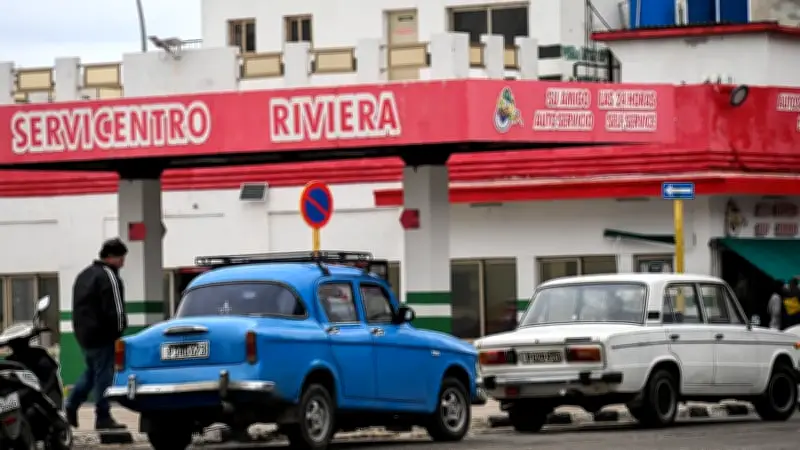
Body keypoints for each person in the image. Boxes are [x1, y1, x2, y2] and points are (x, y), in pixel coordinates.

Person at [65, 238, 129, 430]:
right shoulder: (109, 276)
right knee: (104, 376)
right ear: (112, 257)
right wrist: (119, 331)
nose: (123, 262)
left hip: (85, 335)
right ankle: (103, 416)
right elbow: (116, 309)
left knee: (92, 373)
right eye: (121, 258)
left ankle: (72, 404)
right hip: (103, 336)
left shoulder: (84, 275)